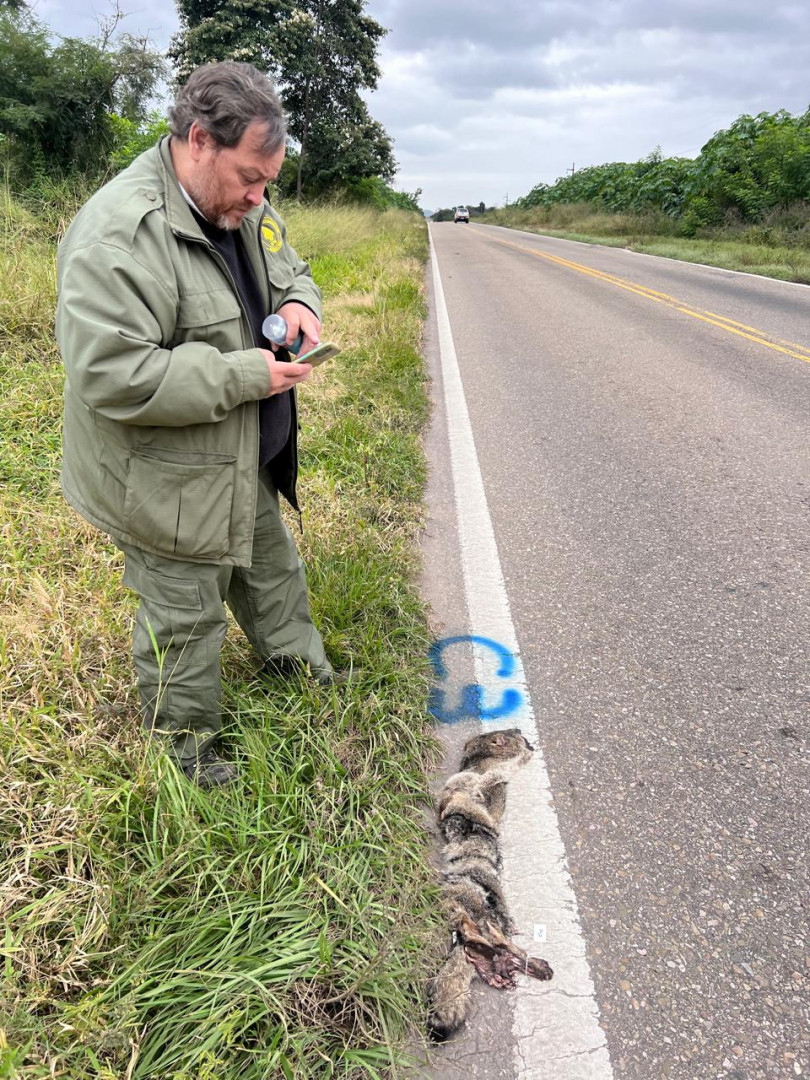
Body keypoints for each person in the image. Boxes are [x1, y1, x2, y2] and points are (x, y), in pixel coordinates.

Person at [56, 61, 339, 789]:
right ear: (199, 141)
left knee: (273, 573)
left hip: (240, 456)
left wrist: (301, 303)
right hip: (164, 482)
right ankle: (186, 761)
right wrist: (248, 374)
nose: (260, 195)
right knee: (185, 619)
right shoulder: (118, 236)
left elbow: (287, 262)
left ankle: (300, 671)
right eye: (251, 176)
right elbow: (114, 374)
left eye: (269, 180)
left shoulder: (241, 202)